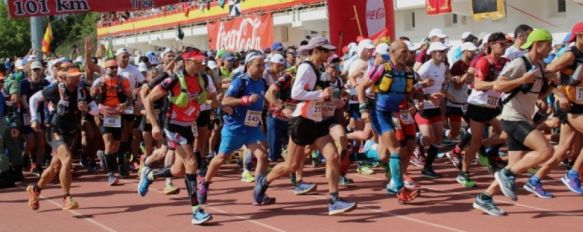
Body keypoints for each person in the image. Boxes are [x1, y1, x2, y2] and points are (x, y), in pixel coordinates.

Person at [255, 36, 357, 215]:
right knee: (291, 167)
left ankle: (334, 200)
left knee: (332, 156)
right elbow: (297, 92)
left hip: (316, 120)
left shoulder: (319, 69)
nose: (329, 54)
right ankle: (263, 182)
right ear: (316, 50)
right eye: (326, 51)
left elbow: (325, 92)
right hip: (301, 121)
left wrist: (338, 96)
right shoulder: (305, 67)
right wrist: (319, 94)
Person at [473, 28, 555, 216]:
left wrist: (552, 86)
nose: (550, 48)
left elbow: (537, 94)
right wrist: (521, 79)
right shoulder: (520, 63)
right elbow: (498, 85)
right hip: (512, 117)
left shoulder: (541, 66)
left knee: (515, 165)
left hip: (524, 116)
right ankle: (505, 174)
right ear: (537, 44)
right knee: (546, 150)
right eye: (548, 44)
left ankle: (484, 198)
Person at [138, 50, 212, 225]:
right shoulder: (174, 79)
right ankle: (196, 211)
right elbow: (148, 99)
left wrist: (224, 105)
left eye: (203, 61)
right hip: (173, 127)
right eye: (198, 61)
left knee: (179, 170)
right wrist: (155, 125)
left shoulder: (203, 79)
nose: (202, 64)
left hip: (189, 126)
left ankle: (149, 175)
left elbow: (210, 99)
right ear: (187, 62)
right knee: (192, 162)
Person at [198, 51, 271, 205]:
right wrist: (244, 100)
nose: (261, 68)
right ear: (248, 66)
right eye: (258, 65)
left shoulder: (262, 82)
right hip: (234, 128)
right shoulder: (240, 81)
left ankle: (258, 192)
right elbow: (226, 100)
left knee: (263, 156)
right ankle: (204, 184)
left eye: (263, 65)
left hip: (251, 128)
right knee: (221, 158)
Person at [358, 40, 422, 203]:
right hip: (379, 112)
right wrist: (363, 109)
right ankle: (398, 187)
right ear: (392, 52)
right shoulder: (382, 68)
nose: (406, 54)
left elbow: (408, 95)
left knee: (384, 153)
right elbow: (361, 87)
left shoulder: (407, 72)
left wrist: (423, 98)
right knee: (395, 150)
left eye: (407, 51)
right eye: (403, 51)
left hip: (395, 113)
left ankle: (365, 152)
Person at [26, 68, 99, 211]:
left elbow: (96, 110)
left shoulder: (82, 91)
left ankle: (35, 190)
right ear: (65, 79)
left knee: (54, 168)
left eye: (78, 76)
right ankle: (66, 198)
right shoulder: (55, 89)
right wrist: (34, 119)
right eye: (73, 77)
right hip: (55, 131)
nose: (77, 79)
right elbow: (33, 99)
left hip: (70, 133)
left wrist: (87, 108)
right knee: (67, 159)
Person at [528, 22, 583, 197]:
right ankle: (572, 174)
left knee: (563, 150)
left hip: (580, 105)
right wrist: (560, 94)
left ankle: (534, 180)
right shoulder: (570, 55)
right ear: (580, 36)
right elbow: (546, 72)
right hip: (571, 107)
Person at [449, 34, 509, 187]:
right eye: (501, 44)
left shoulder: (506, 62)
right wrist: (496, 84)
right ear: (491, 45)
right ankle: (464, 172)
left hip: (493, 105)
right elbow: (478, 85)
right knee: (474, 142)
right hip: (477, 105)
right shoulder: (483, 61)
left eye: (506, 44)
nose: (504, 46)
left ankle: (484, 148)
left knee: (507, 133)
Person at [91, 59, 132, 185]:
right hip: (104, 114)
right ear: (106, 69)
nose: (113, 69)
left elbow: (130, 97)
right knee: (108, 144)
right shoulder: (99, 81)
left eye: (115, 67)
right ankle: (111, 174)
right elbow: (91, 100)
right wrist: (96, 114)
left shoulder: (123, 80)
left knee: (116, 146)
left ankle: (105, 157)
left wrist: (125, 104)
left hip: (118, 116)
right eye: (110, 67)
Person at [415, 41, 448, 178]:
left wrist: (443, 95)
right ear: (432, 54)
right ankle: (415, 140)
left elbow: (441, 85)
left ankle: (427, 167)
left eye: (444, 51)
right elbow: (415, 85)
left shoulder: (443, 67)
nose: (443, 54)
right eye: (440, 51)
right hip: (423, 106)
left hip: (435, 106)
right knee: (428, 139)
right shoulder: (425, 67)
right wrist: (419, 101)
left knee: (438, 139)